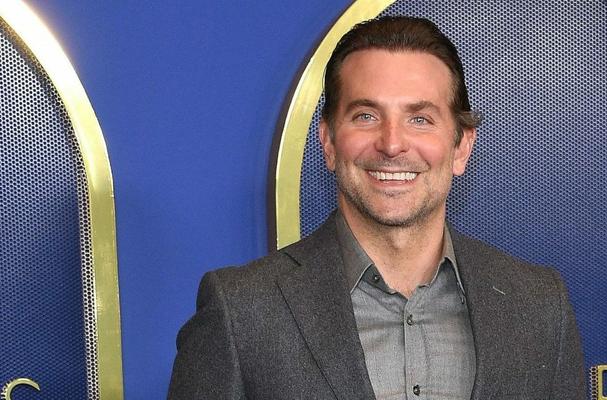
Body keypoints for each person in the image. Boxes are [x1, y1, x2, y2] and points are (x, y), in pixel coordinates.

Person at [168, 16, 584, 400]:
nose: (391, 143)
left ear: (461, 147)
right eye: (366, 115)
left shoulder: (539, 306)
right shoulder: (241, 312)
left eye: (420, 119)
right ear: (329, 142)